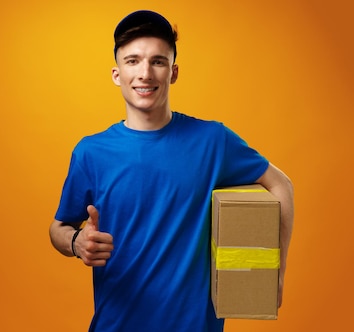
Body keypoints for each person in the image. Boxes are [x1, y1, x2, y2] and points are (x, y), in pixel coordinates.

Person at [49, 10, 294, 332]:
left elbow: (281, 186)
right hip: (116, 324)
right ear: (117, 73)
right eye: (133, 61)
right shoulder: (91, 152)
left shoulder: (212, 141)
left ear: (173, 72)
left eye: (158, 61)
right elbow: (58, 228)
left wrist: (274, 271)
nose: (145, 73)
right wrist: (77, 241)